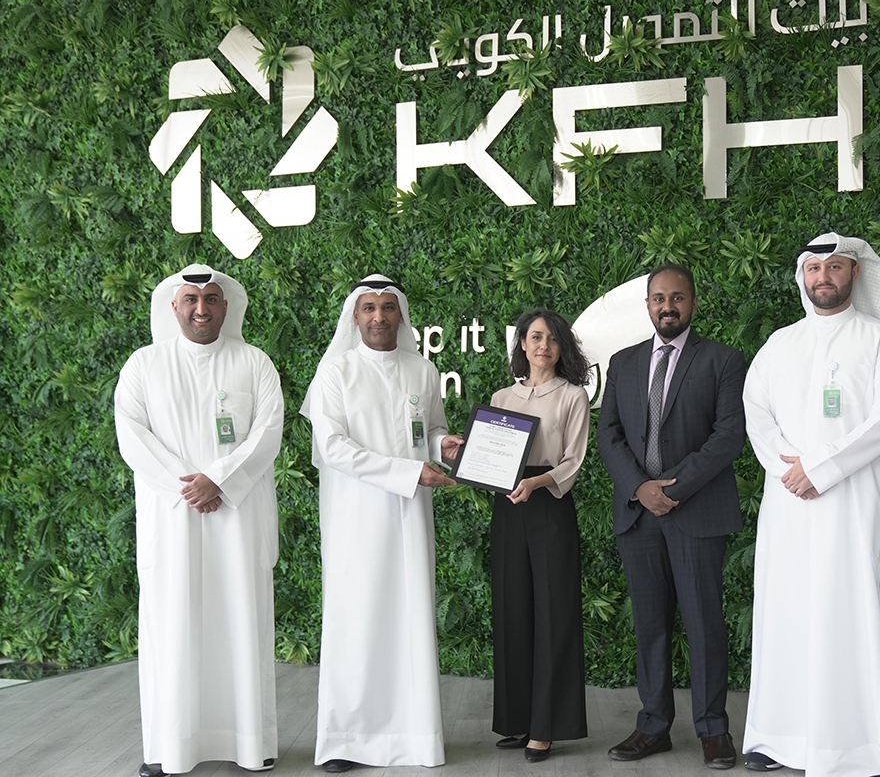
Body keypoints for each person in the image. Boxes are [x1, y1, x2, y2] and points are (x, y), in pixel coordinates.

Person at [741, 233, 880, 776]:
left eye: (834, 267)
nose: (823, 277)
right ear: (803, 277)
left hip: (853, 508)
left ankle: (858, 750)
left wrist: (821, 469)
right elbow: (756, 413)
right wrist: (790, 470)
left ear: (855, 274)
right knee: (786, 613)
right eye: (814, 268)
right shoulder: (780, 344)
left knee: (850, 614)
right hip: (789, 506)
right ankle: (778, 739)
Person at [114, 265, 283, 777]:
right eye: (191, 299)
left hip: (237, 518)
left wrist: (219, 481)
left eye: (211, 299)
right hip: (173, 522)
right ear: (174, 307)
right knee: (174, 629)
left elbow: (267, 432)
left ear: (226, 306)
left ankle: (250, 744)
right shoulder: (144, 364)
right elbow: (132, 435)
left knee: (240, 623)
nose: (201, 309)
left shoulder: (254, 362)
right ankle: (170, 749)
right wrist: (189, 486)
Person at [300, 276, 462, 772]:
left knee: (409, 621)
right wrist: (410, 473)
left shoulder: (423, 369)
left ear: (400, 315)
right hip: (356, 519)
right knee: (357, 622)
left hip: (410, 519)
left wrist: (443, 446)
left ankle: (414, 739)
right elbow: (332, 448)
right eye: (369, 308)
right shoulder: (336, 371)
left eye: (388, 308)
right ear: (355, 316)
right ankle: (347, 740)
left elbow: (429, 429)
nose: (379, 317)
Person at [597, 263, 746, 770]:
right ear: (647, 305)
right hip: (638, 516)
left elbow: (728, 435)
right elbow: (608, 434)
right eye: (659, 298)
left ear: (693, 303)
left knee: (704, 623)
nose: (668, 306)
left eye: (677, 298)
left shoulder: (723, 360)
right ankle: (653, 725)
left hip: (696, 513)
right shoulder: (623, 363)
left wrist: (673, 490)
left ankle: (713, 730)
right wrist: (641, 488)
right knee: (651, 625)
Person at [486, 308, 591, 762]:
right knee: (511, 609)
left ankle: (545, 727)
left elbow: (573, 461)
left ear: (562, 347)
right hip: (509, 505)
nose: (542, 345)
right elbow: (490, 455)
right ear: (523, 346)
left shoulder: (572, 396)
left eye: (551, 338)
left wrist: (536, 482)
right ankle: (517, 719)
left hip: (548, 503)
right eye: (534, 337)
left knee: (553, 613)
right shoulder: (502, 396)